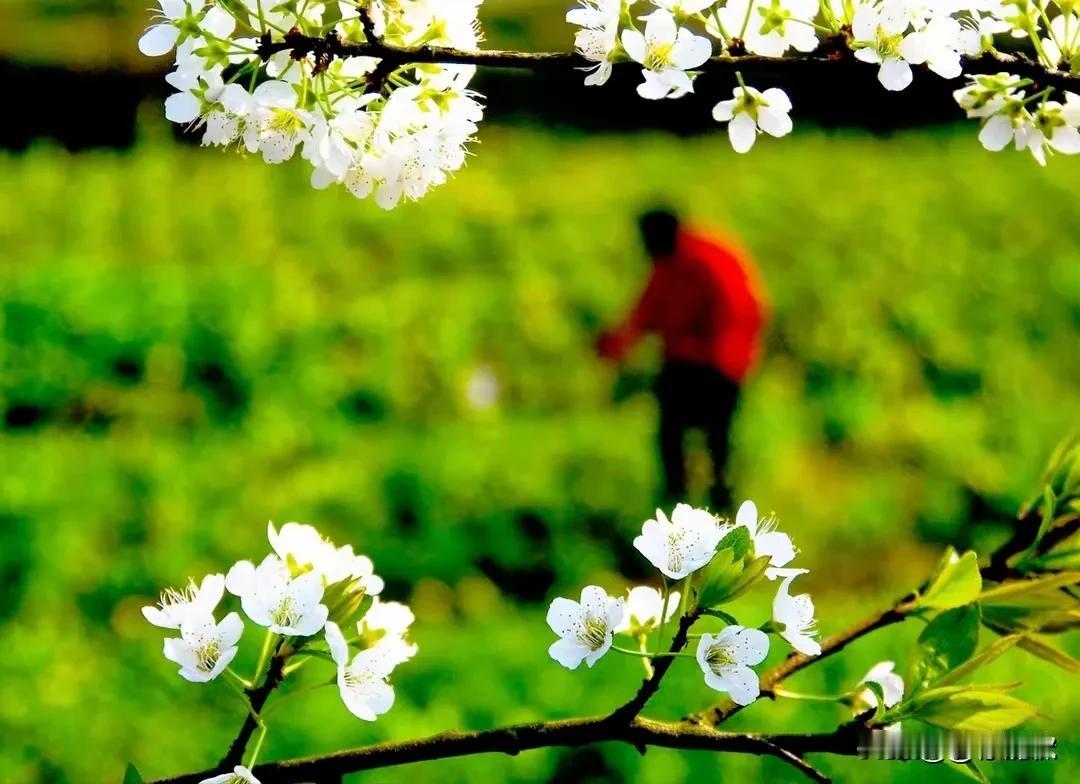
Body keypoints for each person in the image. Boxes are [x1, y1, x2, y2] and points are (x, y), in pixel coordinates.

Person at [597, 208, 767, 512]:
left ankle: (722, 513)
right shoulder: (668, 266)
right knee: (671, 437)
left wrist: (706, 352)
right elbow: (645, 313)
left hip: (720, 366)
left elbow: (741, 311)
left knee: (717, 443)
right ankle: (677, 508)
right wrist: (615, 345)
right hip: (688, 365)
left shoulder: (708, 260)